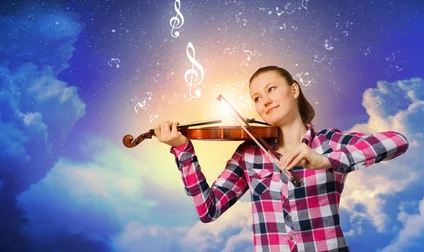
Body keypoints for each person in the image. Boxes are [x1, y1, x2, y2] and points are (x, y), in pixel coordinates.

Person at [155, 65, 409, 252]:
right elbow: (208, 210)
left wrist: (326, 161)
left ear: (294, 89)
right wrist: (183, 150)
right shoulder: (249, 152)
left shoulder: (329, 143)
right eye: (256, 98)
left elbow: (397, 142)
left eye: (271, 89)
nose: (264, 100)